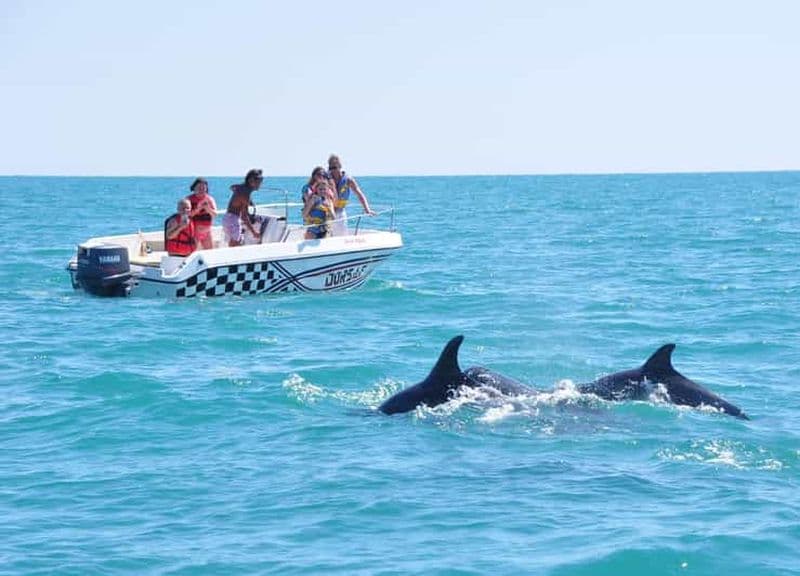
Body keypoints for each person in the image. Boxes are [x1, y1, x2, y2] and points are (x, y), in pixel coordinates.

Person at [327, 154, 375, 236]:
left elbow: (359, 194)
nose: (332, 171)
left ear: (340, 166)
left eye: (334, 167)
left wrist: (367, 209)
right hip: (327, 213)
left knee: (341, 236)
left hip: (340, 212)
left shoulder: (348, 180)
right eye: (330, 168)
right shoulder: (326, 179)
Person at [223, 168, 263, 246]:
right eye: (258, 182)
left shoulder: (241, 188)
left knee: (234, 243)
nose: (260, 185)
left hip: (228, 219)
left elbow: (232, 187)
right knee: (235, 245)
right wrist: (254, 232)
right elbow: (244, 216)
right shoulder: (245, 194)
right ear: (251, 181)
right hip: (233, 220)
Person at [186, 177, 217, 250]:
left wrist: (207, 208)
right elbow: (187, 214)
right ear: (194, 188)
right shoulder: (188, 199)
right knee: (191, 252)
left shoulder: (210, 199)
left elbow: (215, 214)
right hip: (193, 232)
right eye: (199, 188)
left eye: (203, 188)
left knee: (209, 252)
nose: (201, 190)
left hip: (207, 232)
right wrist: (198, 209)